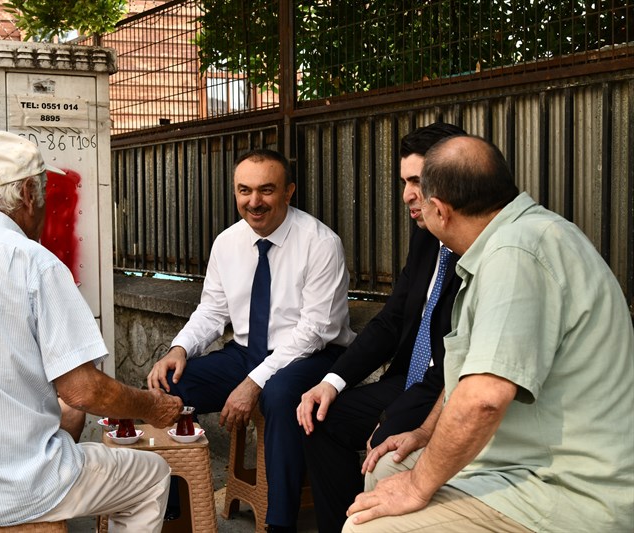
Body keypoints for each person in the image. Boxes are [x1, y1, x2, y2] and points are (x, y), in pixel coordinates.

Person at [0, 130, 184, 533]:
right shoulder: (31, 261)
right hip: (8, 489)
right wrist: (153, 407)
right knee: (150, 476)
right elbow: (84, 391)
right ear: (28, 192)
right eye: (44, 191)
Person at [343, 135, 634, 532]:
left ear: (440, 211)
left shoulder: (514, 255)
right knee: (386, 466)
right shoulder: (514, 239)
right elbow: (473, 370)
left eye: (420, 194)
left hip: (565, 488)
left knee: (368, 526)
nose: (413, 202)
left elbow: (483, 400)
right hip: (518, 459)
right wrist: (425, 432)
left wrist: (417, 484)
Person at [147, 148, 356, 532]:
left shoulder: (320, 243)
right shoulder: (227, 243)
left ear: (289, 192)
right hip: (246, 354)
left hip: (310, 357)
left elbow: (314, 331)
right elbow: (212, 311)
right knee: (167, 388)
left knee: (279, 395)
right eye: (244, 190)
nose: (254, 202)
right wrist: (178, 348)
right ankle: (172, 513)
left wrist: (254, 383)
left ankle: (279, 525)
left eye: (266, 190)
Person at [295, 123, 465, 533]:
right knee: (321, 419)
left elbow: (461, 370)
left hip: (447, 386)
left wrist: (392, 417)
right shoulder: (424, 236)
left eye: (416, 182)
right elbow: (391, 320)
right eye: (404, 181)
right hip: (408, 376)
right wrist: (332, 382)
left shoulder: (477, 245)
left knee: (381, 448)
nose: (407, 194)